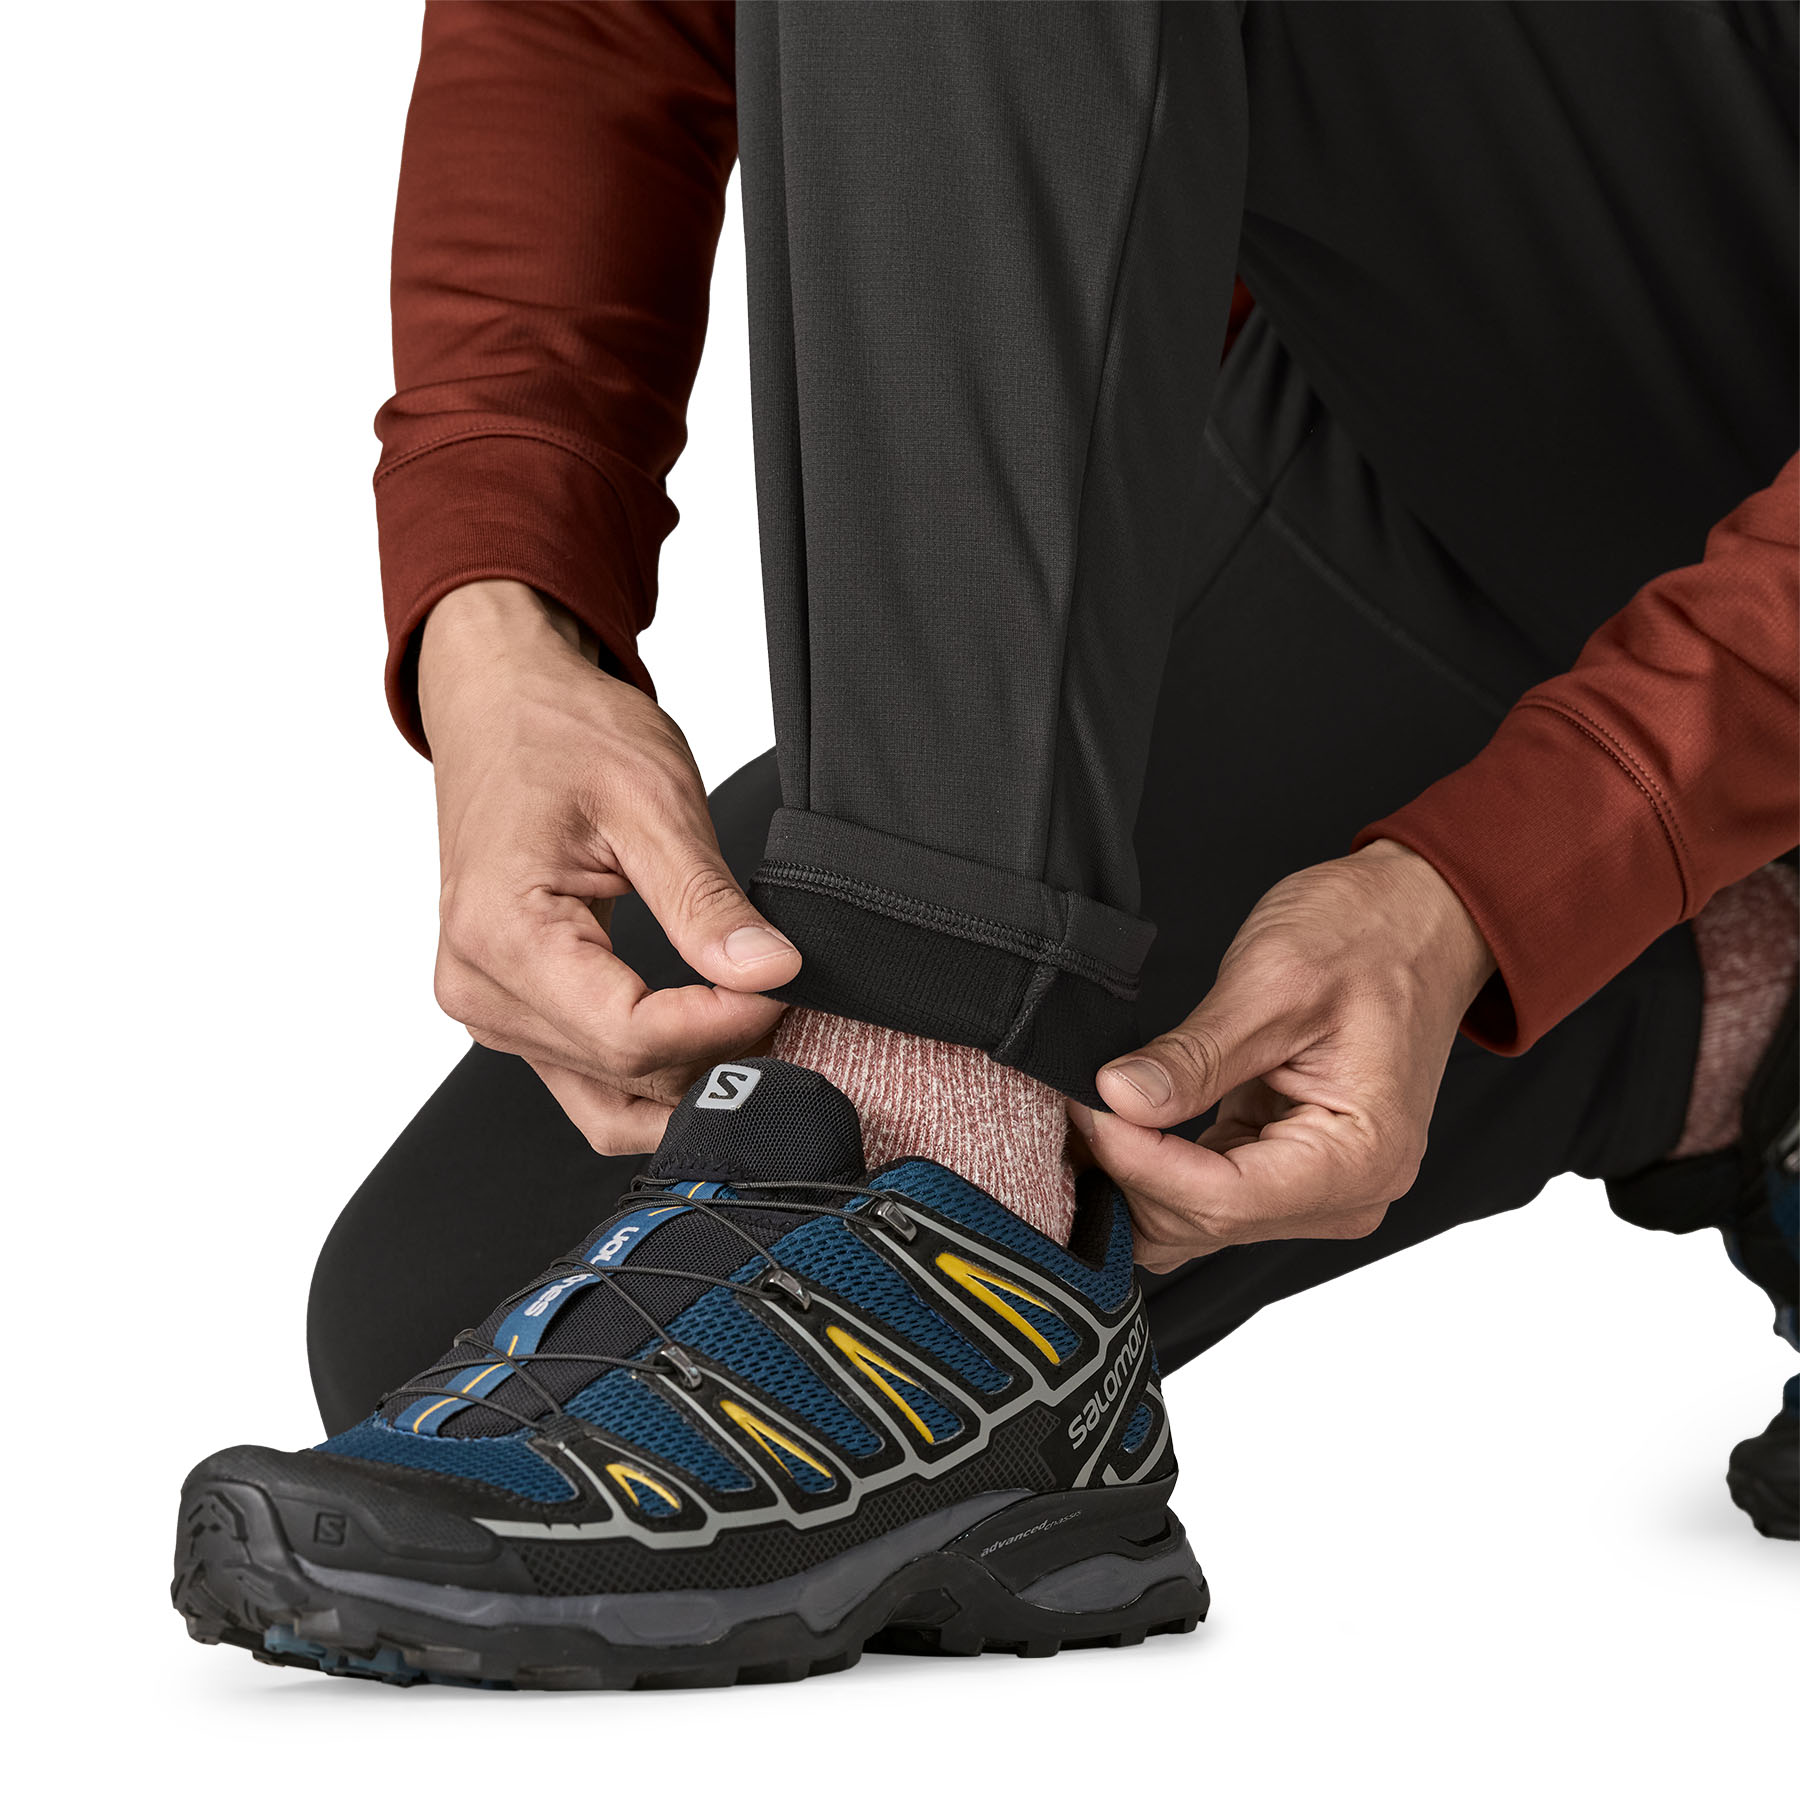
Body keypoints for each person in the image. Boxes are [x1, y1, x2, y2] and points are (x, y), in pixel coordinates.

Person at [172, 4, 1798, 1688]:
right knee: (456, 1294)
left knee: (771, 1347)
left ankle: (934, 1132)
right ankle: (1736, 1015)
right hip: (1450, 403)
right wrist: (504, 614)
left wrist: (1510, 869)